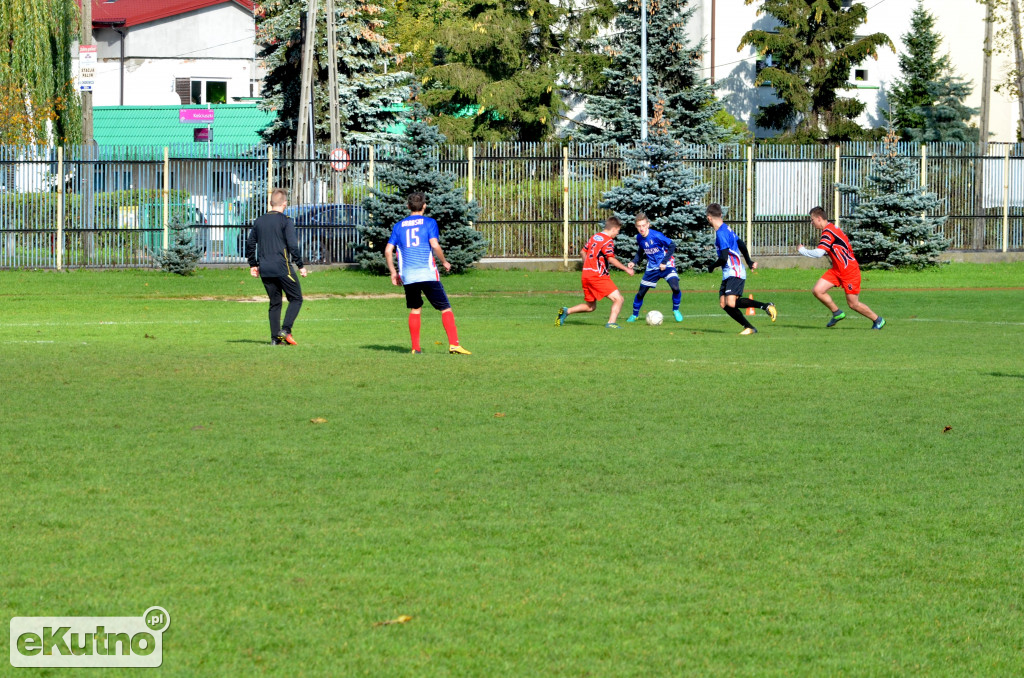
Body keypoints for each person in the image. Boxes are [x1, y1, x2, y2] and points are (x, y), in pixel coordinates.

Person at [385, 192, 471, 355]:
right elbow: (434, 244)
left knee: (415, 309)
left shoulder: (399, 226)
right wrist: (444, 261)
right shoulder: (429, 223)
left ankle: (415, 348)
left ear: (408, 206)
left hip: (408, 276)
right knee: (445, 308)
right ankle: (454, 344)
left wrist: (393, 273)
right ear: (424, 206)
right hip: (427, 274)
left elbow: (388, 251)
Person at [798, 207, 885, 329]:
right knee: (818, 290)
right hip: (837, 270)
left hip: (849, 270)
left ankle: (878, 320)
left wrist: (803, 250)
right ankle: (837, 312)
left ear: (819, 218)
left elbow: (819, 253)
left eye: (812, 220)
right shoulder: (830, 229)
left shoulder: (829, 232)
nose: (811, 223)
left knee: (853, 304)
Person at [246, 188, 307, 345]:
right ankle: (285, 330)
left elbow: (250, 243)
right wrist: (300, 265)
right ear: (285, 204)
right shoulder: (285, 221)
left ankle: (275, 339)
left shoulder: (259, 221)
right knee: (296, 298)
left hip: (265, 269)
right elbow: (293, 245)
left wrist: (253, 264)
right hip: (282, 267)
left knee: (275, 302)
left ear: (270, 203)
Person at [706, 203, 777, 335]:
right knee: (724, 304)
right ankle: (749, 327)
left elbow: (723, 258)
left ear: (709, 218)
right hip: (728, 272)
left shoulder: (721, 233)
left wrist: (711, 266)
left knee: (731, 303)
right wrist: (749, 261)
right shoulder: (727, 228)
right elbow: (741, 243)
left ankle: (766, 305)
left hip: (735, 271)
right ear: (720, 215)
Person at [556, 216, 635, 328]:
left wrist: (587, 264)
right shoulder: (608, 241)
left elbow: (583, 252)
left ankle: (566, 311)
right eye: (617, 231)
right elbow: (610, 258)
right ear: (613, 229)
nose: (617, 234)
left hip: (586, 275)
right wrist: (626, 269)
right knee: (619, 299)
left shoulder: (595, 237)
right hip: (598, 276)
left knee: (591, 306)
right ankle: (611, 323)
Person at [625, 213, 684, 323]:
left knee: (675, 288)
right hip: (652, 268)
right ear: (636, 227)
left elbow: (672, 245)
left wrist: (664, 262)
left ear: (648, 224)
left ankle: (676, 310)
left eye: (643, 225)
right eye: (639, 226)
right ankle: (634, 315)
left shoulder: (657, 235)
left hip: (666, 266)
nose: (641, 228)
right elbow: (641, 250)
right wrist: (634, 261)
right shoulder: (639, 238)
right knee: (641, 293)